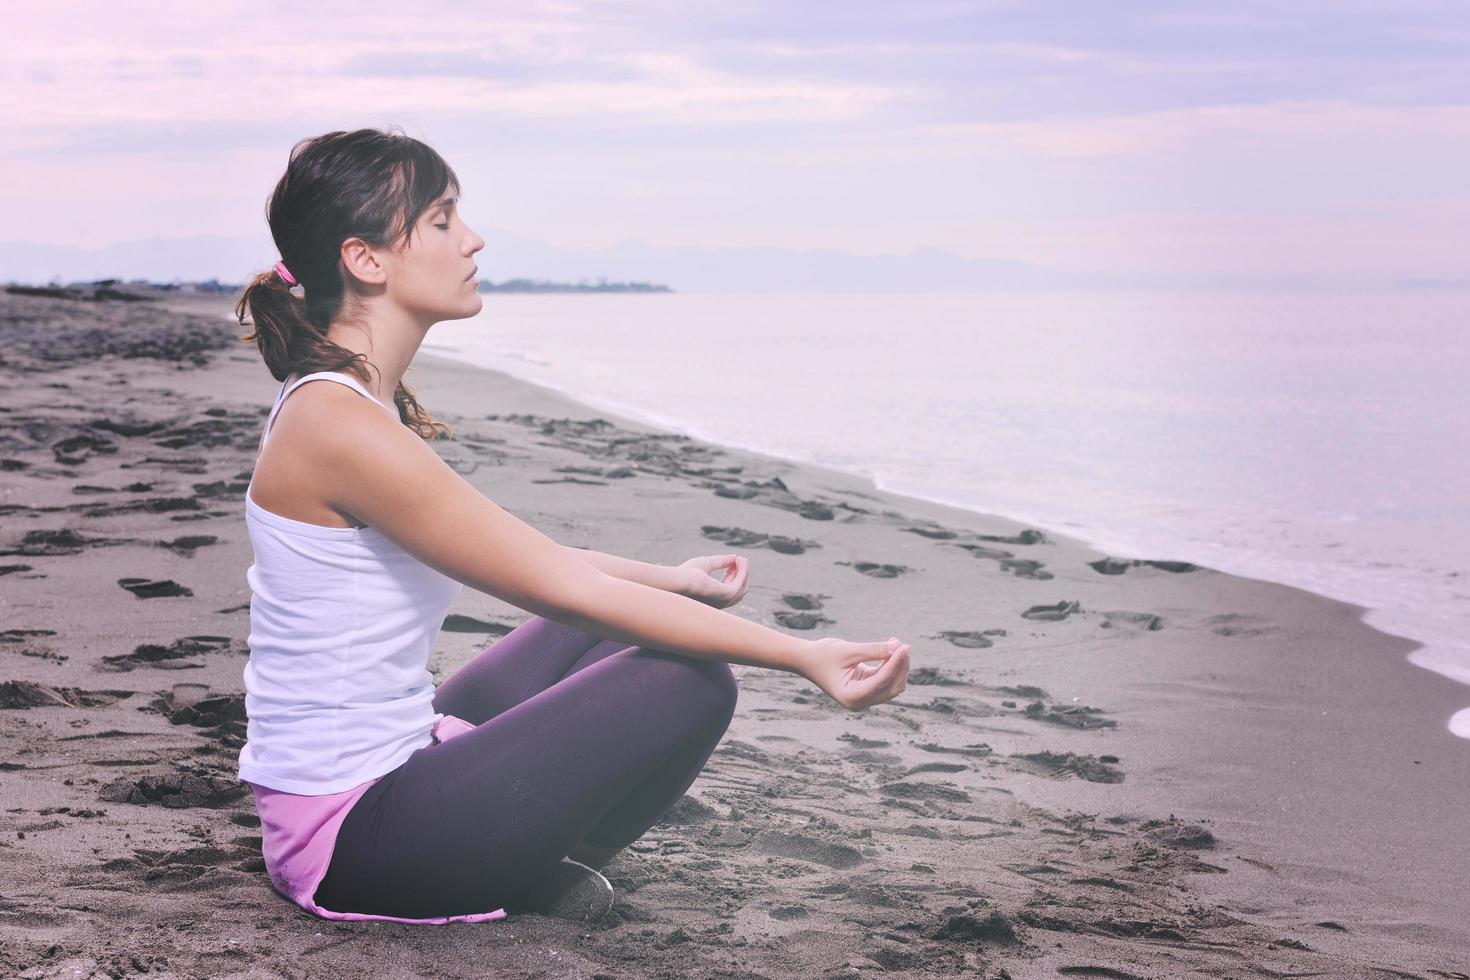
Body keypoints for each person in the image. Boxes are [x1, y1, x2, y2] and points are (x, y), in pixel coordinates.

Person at [231, 126, 912, 926]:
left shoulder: (347, 403)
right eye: (444, 220)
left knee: (605, 632)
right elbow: (567, 585)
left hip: (391, 767)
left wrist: (678, 582)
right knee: (686, 676)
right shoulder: (337, 425)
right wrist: (806, 656)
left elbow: (535, 560)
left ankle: (515, 855)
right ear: (367, 259)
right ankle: (520, 866)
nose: (473, 238)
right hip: (352, 840)